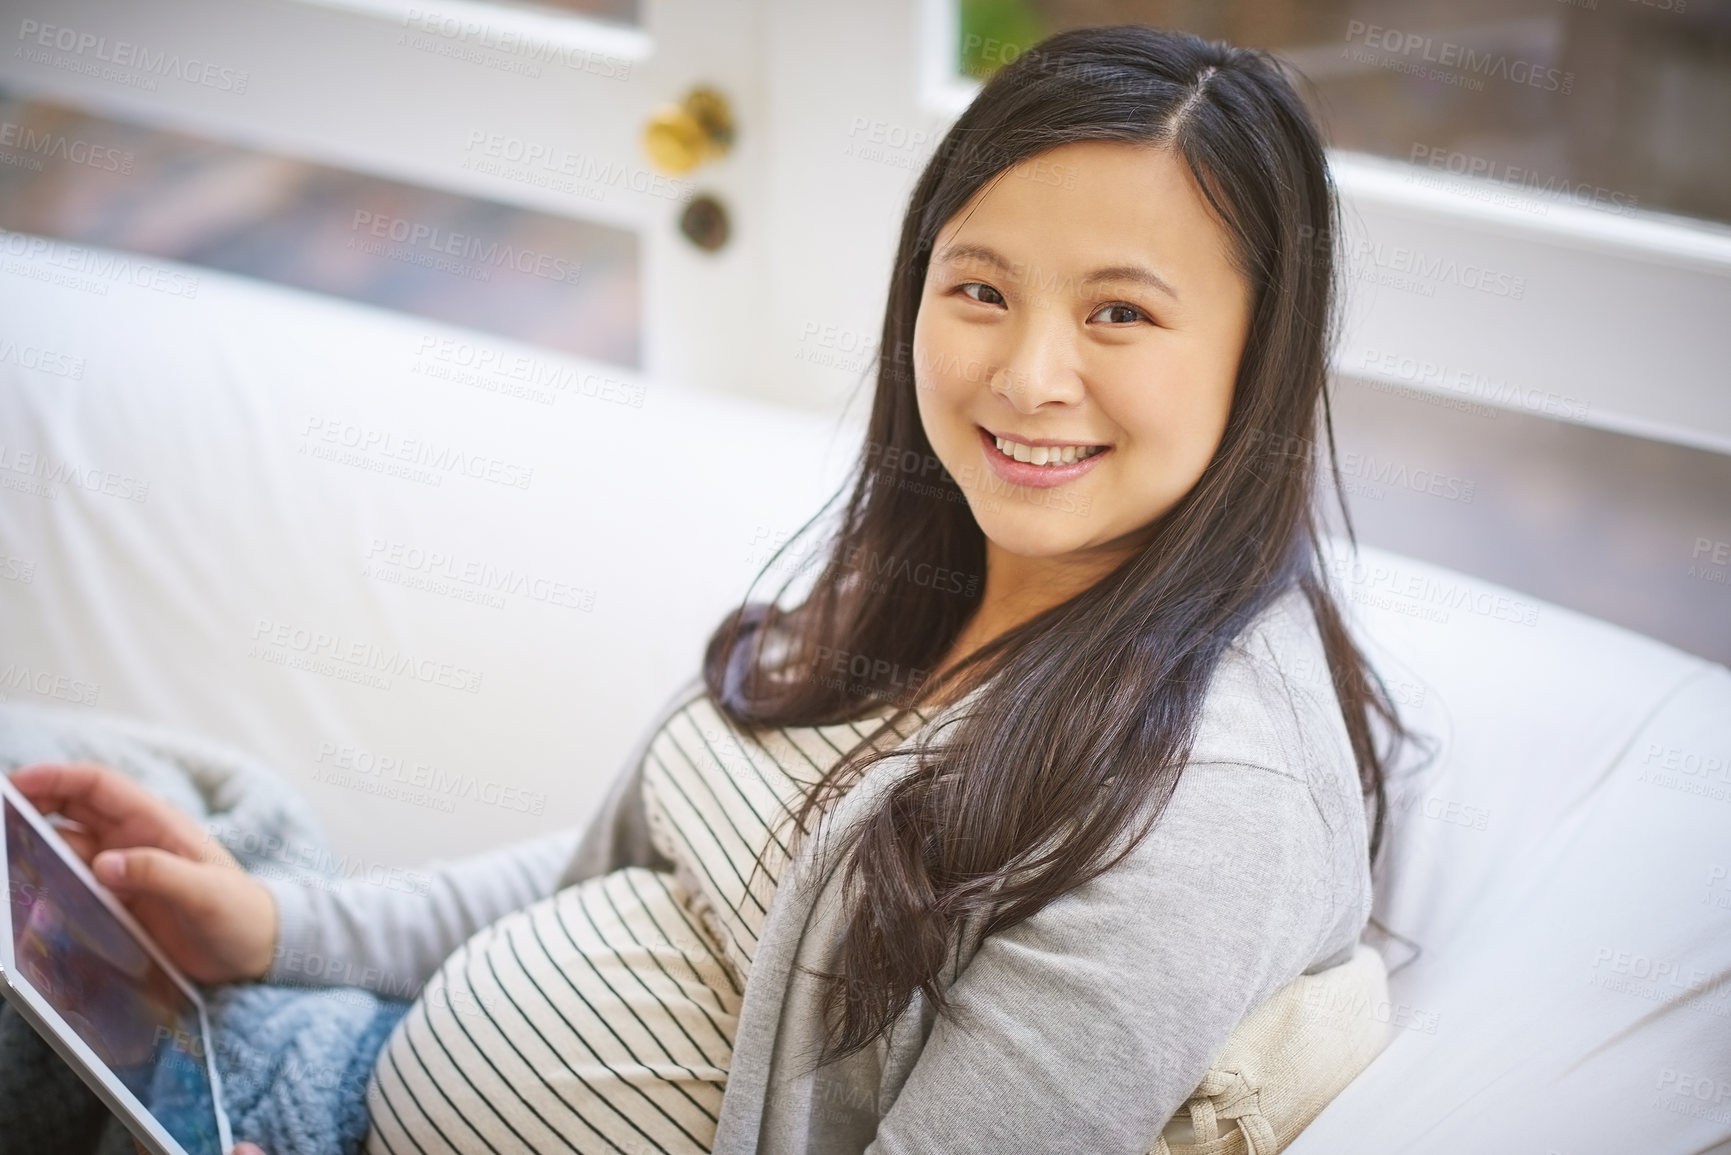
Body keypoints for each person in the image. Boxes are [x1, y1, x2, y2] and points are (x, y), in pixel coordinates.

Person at [12, 24, 1407, 1155]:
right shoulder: (958, 563)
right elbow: (625, 876)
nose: (1027, 374)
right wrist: (276, 929)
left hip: (303, 1125)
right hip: (314, 1061)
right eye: (979, 289)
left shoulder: (1210, 810)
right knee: (52, 802)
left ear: (1260, 351)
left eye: (1120, 312)